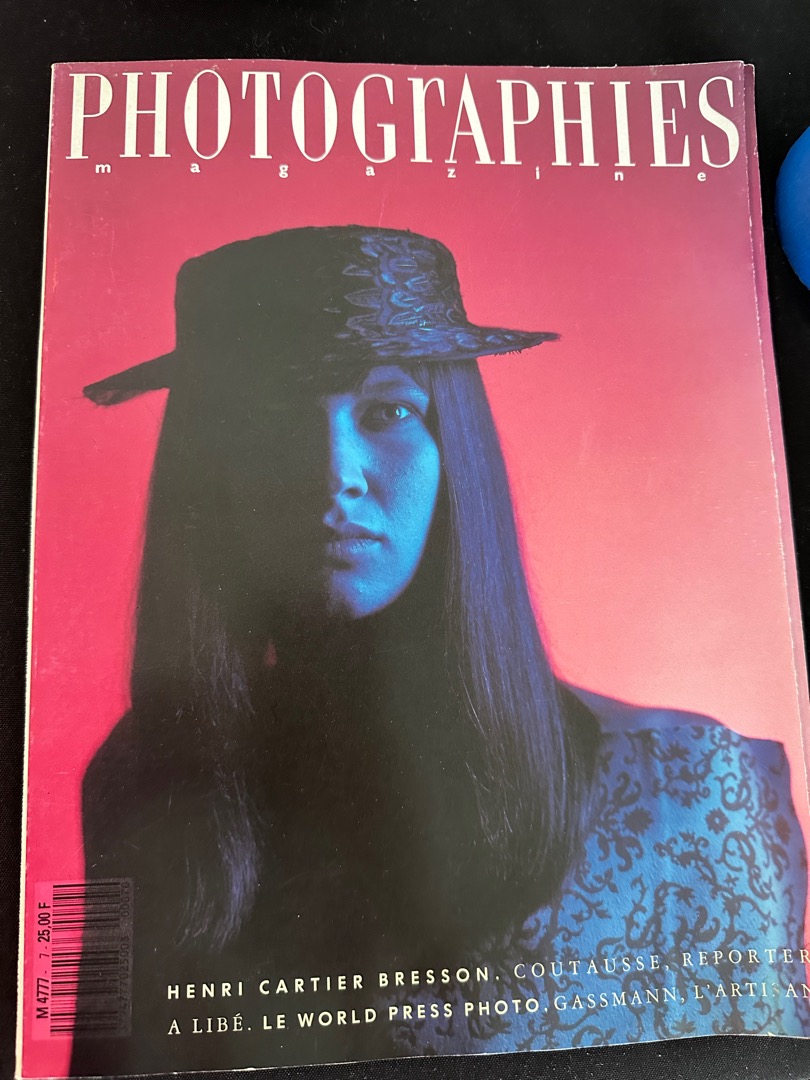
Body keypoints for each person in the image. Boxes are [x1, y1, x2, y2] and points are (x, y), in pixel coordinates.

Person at [70, 227, 809, 1074]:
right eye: (272, 415)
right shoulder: (146, 776)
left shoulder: (691, 788)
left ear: (455, 449)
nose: (333, 471)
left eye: (388, 412)